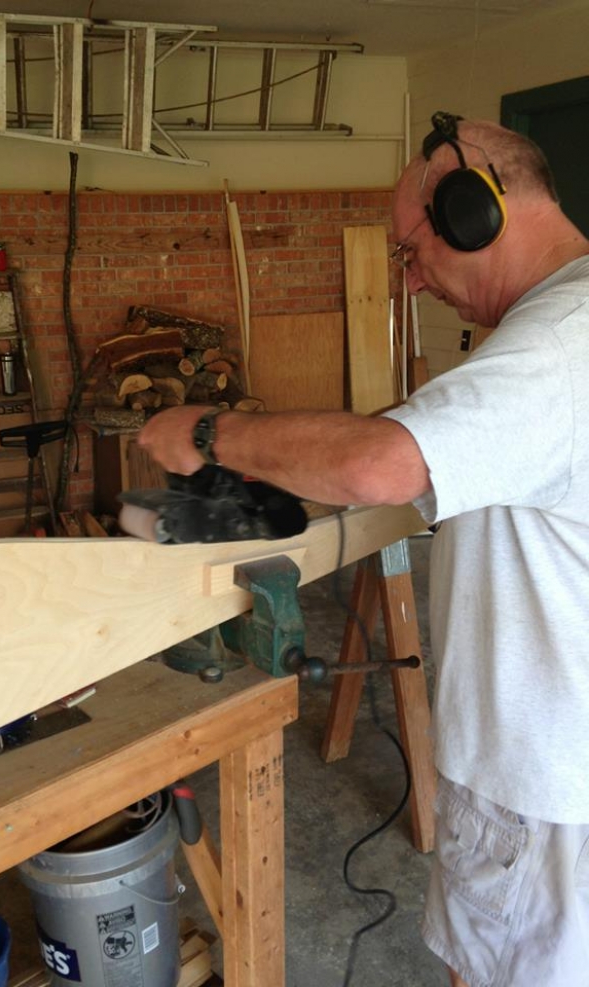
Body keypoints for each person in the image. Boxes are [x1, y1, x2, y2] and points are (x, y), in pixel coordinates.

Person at [136, 113, 589, 987]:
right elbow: (412, 441)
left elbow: (383, 463)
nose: (413, 283)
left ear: (475, 213)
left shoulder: (558, 346)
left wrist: (207, 432)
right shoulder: (564, 333)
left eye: (413, 253)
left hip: (540, 789)